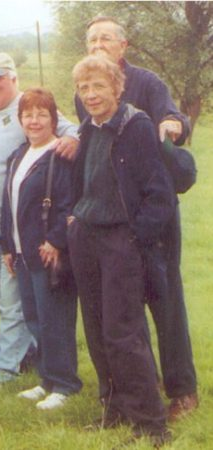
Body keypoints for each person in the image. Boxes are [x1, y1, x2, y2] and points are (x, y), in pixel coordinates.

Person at [76, 16, 198, 420]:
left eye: (105, 38)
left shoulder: (146, 84)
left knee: (164, 298)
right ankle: (139, 387)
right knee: (123, 309)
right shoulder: (87, 90)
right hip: (114, 221)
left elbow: (175, 118)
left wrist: (171, 124)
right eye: (91, 39)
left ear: (123, 45)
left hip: (153, 212)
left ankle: (182, 389)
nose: (97, 44)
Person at [0, 53, 79, 395]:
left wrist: (76, 139)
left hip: (33, 240)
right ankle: (45, 371)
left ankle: (2, 374)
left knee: (25, 311)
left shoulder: (35, 119)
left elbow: (74, 131)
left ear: (14, 79)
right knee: (19, 308)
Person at [69, 55, 173, 444]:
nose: (91, 94)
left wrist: (134, 239)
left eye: (98, 86)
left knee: (123, 333)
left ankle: (151, 423)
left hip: (120, 243)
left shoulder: (136, 126)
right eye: (84, 88)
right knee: (96, 331)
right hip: (87, 240)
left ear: (117, 87)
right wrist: (75, 220)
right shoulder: (88, 129)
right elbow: (82, 185)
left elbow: (159, 194)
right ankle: (113, 410)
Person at [0, 88, 82, 410]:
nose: (34, 121)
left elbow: (68, 204)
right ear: (20, 119)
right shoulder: (18, 155)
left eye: (41, 114)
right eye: (28, 115)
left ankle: (65, 384)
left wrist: (57, 241)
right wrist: (6, 244)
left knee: (55, 319)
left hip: (49, 254)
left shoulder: (59, 157)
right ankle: (46, 378)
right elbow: (9, 204)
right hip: (21, 254)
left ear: (54, 119)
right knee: (34, 318)